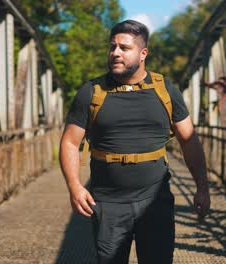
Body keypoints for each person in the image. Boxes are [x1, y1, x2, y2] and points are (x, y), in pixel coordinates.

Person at [59, 19, 210, 264]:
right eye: (112, 47)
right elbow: (69, 142)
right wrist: (75, 186)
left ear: (143, 53)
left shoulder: (165, 90)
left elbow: (189, 140)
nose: (115, 53)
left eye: (124, 48)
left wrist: (202, 187)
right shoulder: (91, 92)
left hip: (156, 202)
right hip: (108, 204)